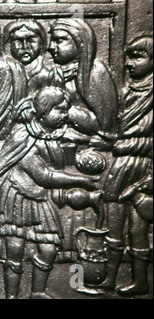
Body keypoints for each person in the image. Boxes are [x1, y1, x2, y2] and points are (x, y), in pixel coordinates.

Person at [0, 86, 98, 299]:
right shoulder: (24, 137)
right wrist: (82, 180)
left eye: (66, 110)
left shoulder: (51, 133)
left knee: (48, 248)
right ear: (44, 111)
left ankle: (37, 292)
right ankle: (11, 295)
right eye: (60, 110)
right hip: (18, 197)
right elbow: (44, 176)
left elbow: (81, 132)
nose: (64, 115)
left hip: (39, 198)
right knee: (15, 248)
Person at [90, 35, 153, 297]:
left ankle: (140, 282)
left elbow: (142, 140)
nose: (129, 63)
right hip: (119, 168)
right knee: (112, 230)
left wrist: (123, 146)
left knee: (138, 231)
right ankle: (109, 280)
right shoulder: (126, 92)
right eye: (128, 56)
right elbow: (119, 133)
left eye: (138, 56)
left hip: (143, 170)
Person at [48, 18, 119, 141]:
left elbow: (106, 126)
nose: (50, 47)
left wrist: (64, 112)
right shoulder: (55, 72)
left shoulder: (95, 71)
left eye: (59, 41)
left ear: (80, 42)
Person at [3, 19, 61, 95]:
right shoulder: (4, 71)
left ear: (41, 43)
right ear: (8, 45)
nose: (25, 46)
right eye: (18, 41)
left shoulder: (51, 72)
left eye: (31, 40)